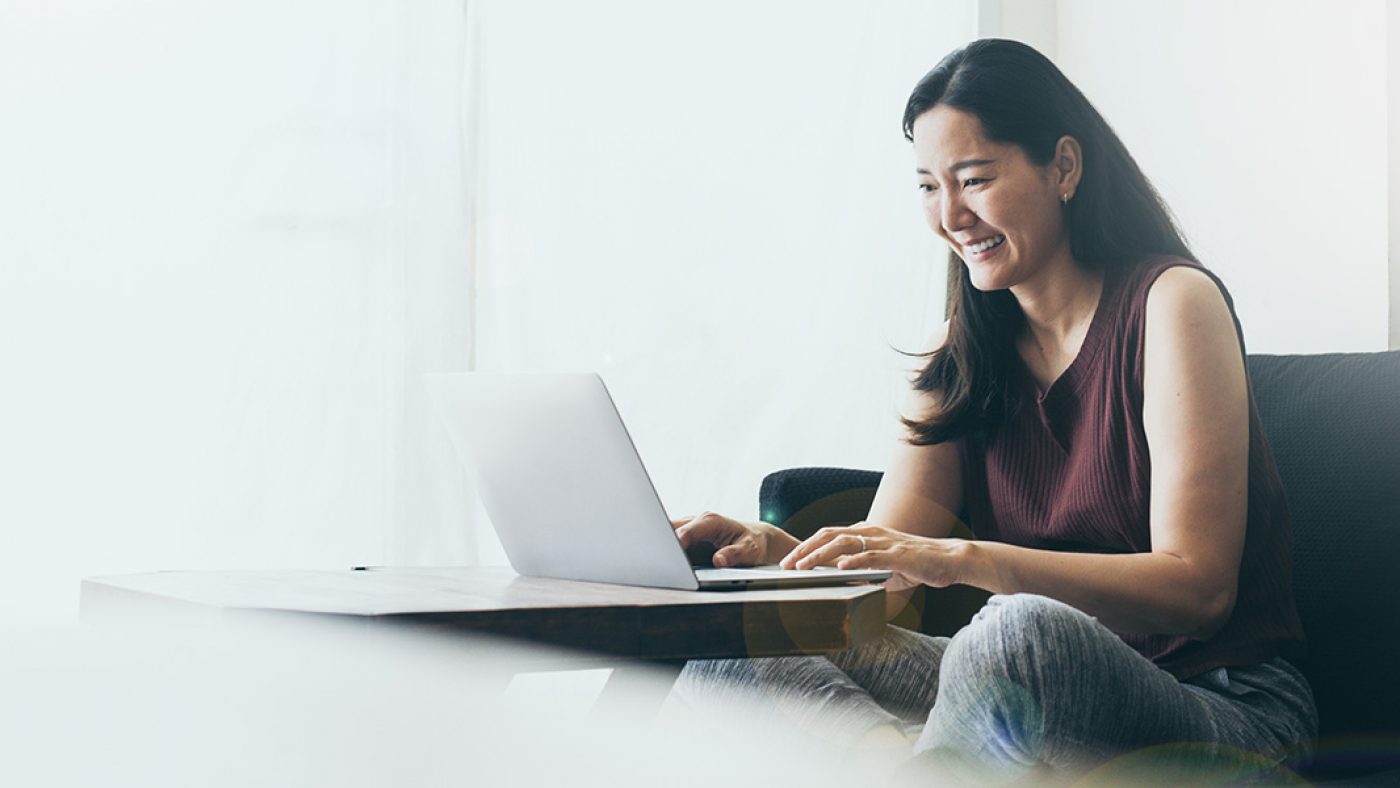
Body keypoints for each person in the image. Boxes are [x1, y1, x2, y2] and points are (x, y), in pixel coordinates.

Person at [668, 38, 1317, 783]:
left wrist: (967, 560)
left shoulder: (1172, 304)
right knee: (740, 630)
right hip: (1015, 690)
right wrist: (773, 554)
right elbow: (886, 573)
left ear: (1064, 168)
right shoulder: (961, 356)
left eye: (974, 179)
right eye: (926, 187)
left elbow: (1199, 590)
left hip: (1224, 711)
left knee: (1017, 630)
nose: (950, 216)